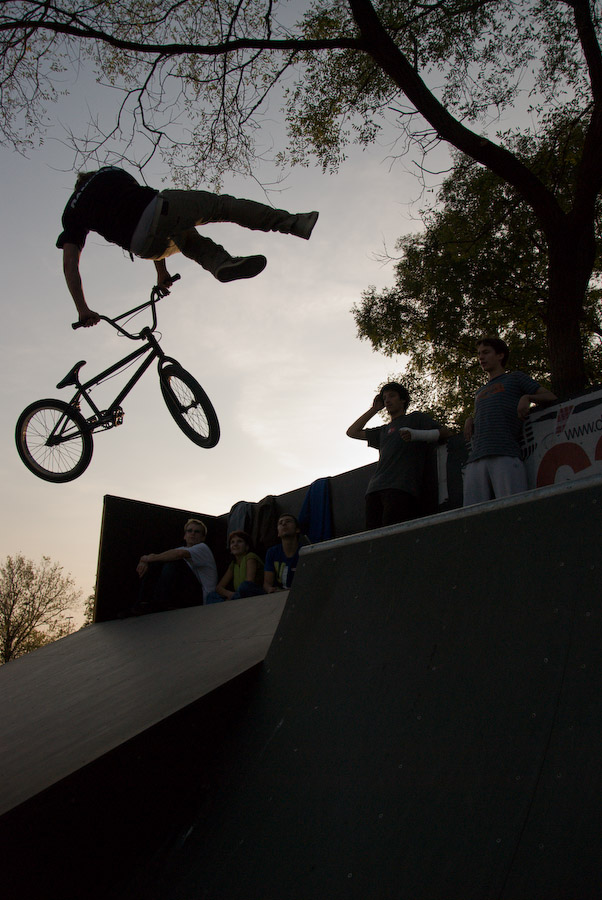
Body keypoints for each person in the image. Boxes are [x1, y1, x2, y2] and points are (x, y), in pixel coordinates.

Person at [57, 166, 319, 326]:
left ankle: (220, 263)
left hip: (144, 248)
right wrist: (161, 272)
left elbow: (71, 264)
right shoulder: (108, 173)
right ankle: (293, 223)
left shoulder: (72, 210)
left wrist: (82, 309)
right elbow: (142, 208)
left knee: (184, 236)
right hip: (161, 209)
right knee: (221, 206)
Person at [463, 336, 557, 505]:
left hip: (505, 453)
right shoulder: (479, 392)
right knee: (471, 515)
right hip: (476, 458)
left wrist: (527, 396)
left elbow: (550, 396)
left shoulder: (515, 378)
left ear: (500, 355)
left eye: (486, 352)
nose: (481, 358)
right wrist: (470, 418)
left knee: (513, 508)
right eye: (479, 354)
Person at [347, 382, 450, 530]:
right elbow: (352, 432)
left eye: (392, 396)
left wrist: (416, 435)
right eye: (385, 397)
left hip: (401, 488)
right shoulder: (383, 431)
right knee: (373, 538)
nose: (387, 400)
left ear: (403, 400)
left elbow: (445, 432)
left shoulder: (415, 419)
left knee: (393, 535)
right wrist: (374, 409)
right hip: (374, 490)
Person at [135, 518, 217, 613]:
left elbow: (178, 554)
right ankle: (142, 602)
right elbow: (161, 556)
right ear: (185, 536)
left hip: (200, 598)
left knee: (174, 561)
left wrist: (148, 559)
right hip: (184, 593)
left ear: (203, 538)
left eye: (197, 532)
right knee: (161, 560)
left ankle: (161, 602)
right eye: (189, 531)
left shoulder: (203, 548)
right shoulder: (181, 549)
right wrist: (144, 560)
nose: (193, 533)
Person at [204, 531, 266, 604]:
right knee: (211, 596)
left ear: (247, 547)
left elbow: (249, 583)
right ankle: (231, 603)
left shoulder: (250, 557)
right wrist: (230, 594)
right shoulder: (233, 564)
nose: (235, 544)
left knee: (245, 586)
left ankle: (232, 601)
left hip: (254, 592)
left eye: (239, 541)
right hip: (239, 595)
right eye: (232, 542)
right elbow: (219, 588)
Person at [263, 514, 304, 593]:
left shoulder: (305, 551)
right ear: (278, 533)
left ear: (297, 529)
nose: (284, 524)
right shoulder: (272, 553)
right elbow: (267, 584)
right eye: (280, 523)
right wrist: (270, 590)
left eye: (288, 521)